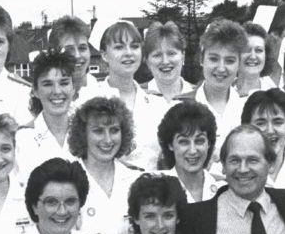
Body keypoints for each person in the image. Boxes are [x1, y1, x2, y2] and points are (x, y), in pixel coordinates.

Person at [84, 20, 163, 170]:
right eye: (119, 47)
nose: (128, 53)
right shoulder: (88, 100)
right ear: (104, 55)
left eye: (134, 46)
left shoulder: (158, 105)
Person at [68, 95, 140, 234]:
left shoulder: (136, 180)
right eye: (98, 131)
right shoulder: (67, 180)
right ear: (83, 135)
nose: (108, 140)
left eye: (114, 130)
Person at [16, 50, 78, 174]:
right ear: (35, 91)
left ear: (73, 89)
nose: (57, 91)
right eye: (47, 84)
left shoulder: (87, 133)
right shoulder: (21, 139)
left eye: (64, 83)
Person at [190, 19, 250, 142]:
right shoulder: (182, 106)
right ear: (202, 59)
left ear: (239, 64)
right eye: (214, 59)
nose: (221, 68)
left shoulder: (249, 109)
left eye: (230, 61)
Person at [157, 101, 221, 203]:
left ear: (209, 143)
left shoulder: (224, 189)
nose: (193, 151)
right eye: (183, 142)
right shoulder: (156, 191)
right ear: (170, 144)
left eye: (199, 141)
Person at [143, 21, 194, 101]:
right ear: (148, 62)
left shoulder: (200, 96)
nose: (165, 61)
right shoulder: (137, 96)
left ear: (183, 57)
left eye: (171, 53)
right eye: (157, 55)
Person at [48, 15, 94, 92]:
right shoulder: (45, 97)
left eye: (82, 48)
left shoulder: (105, 94)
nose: (77, 56)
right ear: (55, 54)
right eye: (69, 50)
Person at [238, 22, 278, 96]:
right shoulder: (223, 88)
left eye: (258, 50)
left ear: (266, 55)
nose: (253, 56)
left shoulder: (273, 94)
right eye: (246, 50)